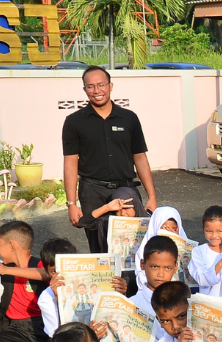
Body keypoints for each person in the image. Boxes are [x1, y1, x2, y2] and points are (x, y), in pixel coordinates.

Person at [63, 66, 158, 253]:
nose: (96, 91)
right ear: (84, 90)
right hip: (92, 192)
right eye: (90, 86)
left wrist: (152, 196)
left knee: (134, 248)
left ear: (110, 86)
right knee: (99, 248)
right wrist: (72, 204)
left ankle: (130, 283)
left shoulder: (129, 118)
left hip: (126, 190)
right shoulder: (74, 121)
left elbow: (139, 158)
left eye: (101, 85)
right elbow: (70, 163)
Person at [38, 238, 79, 342]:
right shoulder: (46, 298)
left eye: (67, 268)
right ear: (47, 272)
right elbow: (60, 336)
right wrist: (58, 297)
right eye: (54, 271)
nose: (61, 275)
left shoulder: (84, 287)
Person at [133, 207, 186, 292]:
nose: (170, 232)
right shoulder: (146, 249)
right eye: (164, 228)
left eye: (174, 229)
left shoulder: (191, 250)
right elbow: (141, 278)